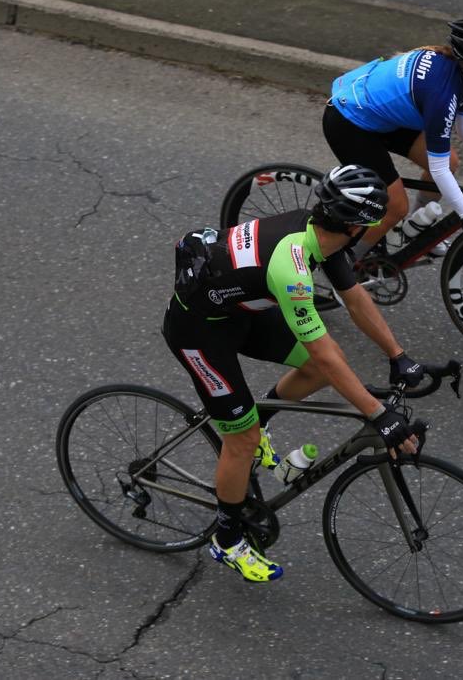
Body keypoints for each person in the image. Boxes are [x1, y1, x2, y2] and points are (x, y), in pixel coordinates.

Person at [162, 164, 425, 583]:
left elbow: (355, 300)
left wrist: (398, 355)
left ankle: (259, 425)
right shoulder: (292, 266)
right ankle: (226, 539)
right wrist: (378, 414)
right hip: (198, 331)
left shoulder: (322, 235)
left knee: (312, 372)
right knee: (241, 437)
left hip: (239, 310)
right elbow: (327, 353)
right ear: (357, 225)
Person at [323, 18, 463, 259]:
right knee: (395, 207)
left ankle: (415, 235)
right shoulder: (442, 94)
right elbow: (438, 171)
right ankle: (347, 268)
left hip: (385, 117)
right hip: (349, 123)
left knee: (450, 161)